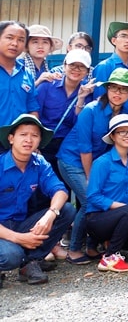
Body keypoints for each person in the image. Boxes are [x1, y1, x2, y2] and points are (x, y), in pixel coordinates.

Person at [56, 68, 128, 264]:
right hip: (73, 160)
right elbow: (85, 149)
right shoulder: (91, 110)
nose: (118, 93)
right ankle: (75, 248)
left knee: (103, 198)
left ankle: (92, 246)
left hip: (96, 163)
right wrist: (89, 177)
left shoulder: (126, 114)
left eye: (124, 90)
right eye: (114, 88)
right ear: (107, 89)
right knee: (89, 199)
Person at [0, 114, 76, 285]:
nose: (29, 140)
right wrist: (19, 239)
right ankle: (17, 258)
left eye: (34, 135)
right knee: (12, 256)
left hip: (20, 223)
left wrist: (50, 214)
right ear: (11, 138)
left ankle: (29, 263)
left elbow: (60, 191)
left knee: (66, 210)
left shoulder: (38, 162)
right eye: (23, 134)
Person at [85, 114, 128, 273]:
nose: (127, 135)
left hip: (124, 217)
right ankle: (109, 257)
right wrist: (124, 208)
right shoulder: (102, 162)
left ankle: (111, 242)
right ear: (113, 136)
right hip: (98, 219)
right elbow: (93, 196)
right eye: (121, 132)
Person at [35, 49, 93, 176]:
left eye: (82, 67)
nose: (76, 69)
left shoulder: (88, 93)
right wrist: (35, 144)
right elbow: (34, 115)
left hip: (68, 147)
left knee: (63, 187)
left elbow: (78, 125)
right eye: (72, 65)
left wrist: (81, 98)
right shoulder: (47, 86)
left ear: (87, 71)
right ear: (64, 65)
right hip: (44, 143)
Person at [91, 21, 128, 117]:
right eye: (123, 36)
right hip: (112, 126)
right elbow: (99, 101)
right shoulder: (105, 66)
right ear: (114, 40)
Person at [0, 21, 39, 126]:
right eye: (9, 37)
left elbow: (33, 109)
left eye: (21, 40)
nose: (15, 43)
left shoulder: (27, 74)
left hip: (17, 140)